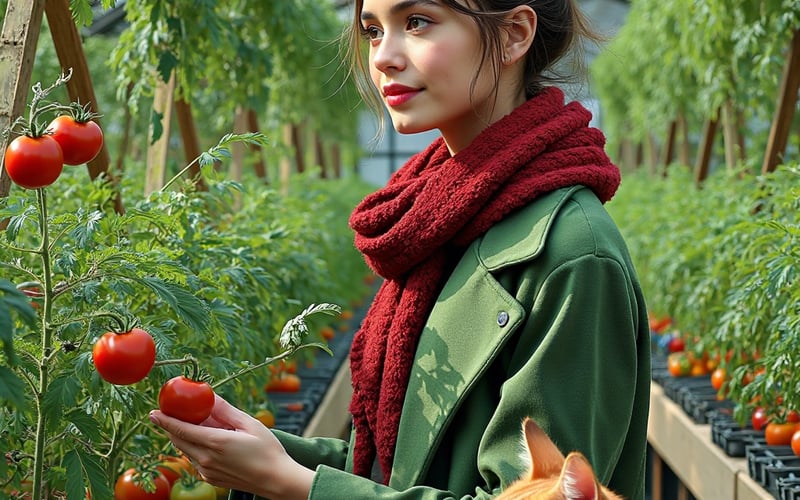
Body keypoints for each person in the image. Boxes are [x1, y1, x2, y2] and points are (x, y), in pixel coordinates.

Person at [149, 0, 651, 498]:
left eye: (416, 22)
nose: (383, 57)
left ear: (515, 35)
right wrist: (272, 455)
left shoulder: (571, 253)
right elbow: (409, 466)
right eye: (372, 30)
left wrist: (294, 485)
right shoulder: (437, 221)